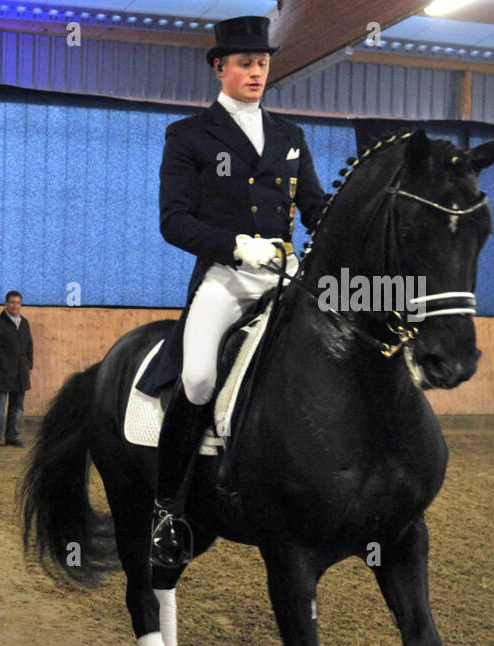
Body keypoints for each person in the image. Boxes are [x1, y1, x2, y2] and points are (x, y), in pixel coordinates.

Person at [140, 15, 327, 567]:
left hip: (284, 275)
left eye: (263, 63)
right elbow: (173, 221)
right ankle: (166, 508)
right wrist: (237, 246)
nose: (256, 72)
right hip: (226, 276)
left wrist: (344, 231)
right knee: (199, 377)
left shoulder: (290, 136)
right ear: (220, 67)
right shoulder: (189, 135)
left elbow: (315, 208)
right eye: (245, 63)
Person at [0, 291, 33, 448]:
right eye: (12, 302)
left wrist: (28, 364)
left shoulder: (24, 323)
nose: (15, 306)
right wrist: (2, 361)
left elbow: (29, 345)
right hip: (3, 372)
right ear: (6, 304)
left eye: (18, 303)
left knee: (17, 407)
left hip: (21, 372)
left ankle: (12, 437)